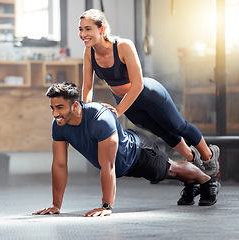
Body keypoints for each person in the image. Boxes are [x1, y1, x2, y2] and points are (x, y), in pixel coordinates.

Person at [32, 82, 220, 218]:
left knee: (171, 170)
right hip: (122, 163)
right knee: (170, 172)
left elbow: (108, 165)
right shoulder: (59, 125)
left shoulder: (99, 119)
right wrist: (56, 205)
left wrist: (106, 206)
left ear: (74, 105)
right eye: (52, 108)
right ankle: (191, 184)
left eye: (59, 107)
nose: (55, 113)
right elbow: (59, 164)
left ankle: (206, 181)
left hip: (137, 152)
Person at [78, 9, 220, 183]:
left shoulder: (123, 46)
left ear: (102, 29)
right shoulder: (89, 53)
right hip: (127, 103)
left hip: (148, 95)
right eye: (80, 29)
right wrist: (86, 116)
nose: (83, 34)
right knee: (161, 132)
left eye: (87, 29)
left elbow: (137, 84)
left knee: (177, 126)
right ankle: (192, 160)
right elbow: (87, 87)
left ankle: (209, 156)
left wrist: (117, 111)